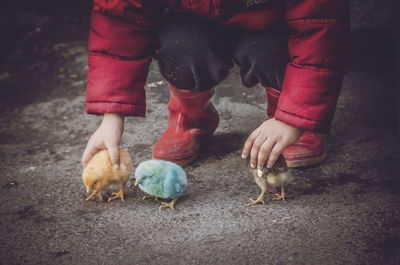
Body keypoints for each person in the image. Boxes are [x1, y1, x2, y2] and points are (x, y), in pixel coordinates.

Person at [81, 0, 349, 172]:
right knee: (180, 46)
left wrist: (295, 119)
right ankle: (190, 117)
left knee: (273, 50)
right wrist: (111, 118)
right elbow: (119, 18)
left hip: (272, 21)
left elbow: (320, 27)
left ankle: (290, 119)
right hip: (196, 18)